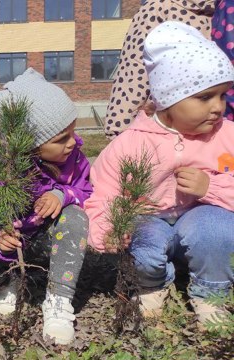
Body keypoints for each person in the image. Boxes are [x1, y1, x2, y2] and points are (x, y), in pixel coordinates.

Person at [86, 22, 234, 329]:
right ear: (168, 99)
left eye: (222, 95)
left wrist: (211, 187)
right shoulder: (131, 143)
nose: (218, 107)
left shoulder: (227, 137)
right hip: (149, 219)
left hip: (200, 221)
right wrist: (108, 229)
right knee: (142, 241)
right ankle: (151, 283)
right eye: (205, 97)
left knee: (218, 228)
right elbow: (104, 192)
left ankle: (211, 291)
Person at [0, 68, 93, 345]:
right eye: (60, 138)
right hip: (11, 246)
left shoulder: (73, 159)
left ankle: (58, 299)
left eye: (72, 132)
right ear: (28, 143)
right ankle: (9, 283)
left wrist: (62, 194)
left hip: (45, 241)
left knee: (75, 217)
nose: (73, 143)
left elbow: (85, 190)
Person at [104, 0, 216, 138]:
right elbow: (135, 67)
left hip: (172, 128)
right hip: (179, 127)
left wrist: (117, 130)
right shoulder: (162, 7)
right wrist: (118, 132)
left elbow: (134, 70)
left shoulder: (160, 7)